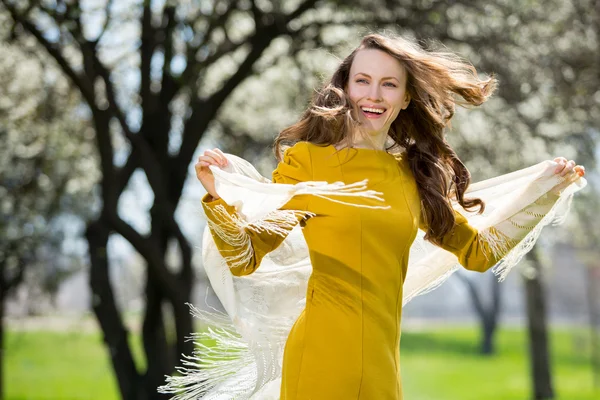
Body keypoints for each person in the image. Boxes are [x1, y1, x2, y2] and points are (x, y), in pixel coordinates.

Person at [173, 34, 585, 400]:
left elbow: (477, 253)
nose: (374, 95)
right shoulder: (307, 162)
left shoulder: (413, 176)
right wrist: (218, 196)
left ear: (405, 97)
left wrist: (542, 194)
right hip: (319, 356)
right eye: (363, 81)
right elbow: (245, 256)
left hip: (382, 367)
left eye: (389, 84)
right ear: (346, 88)